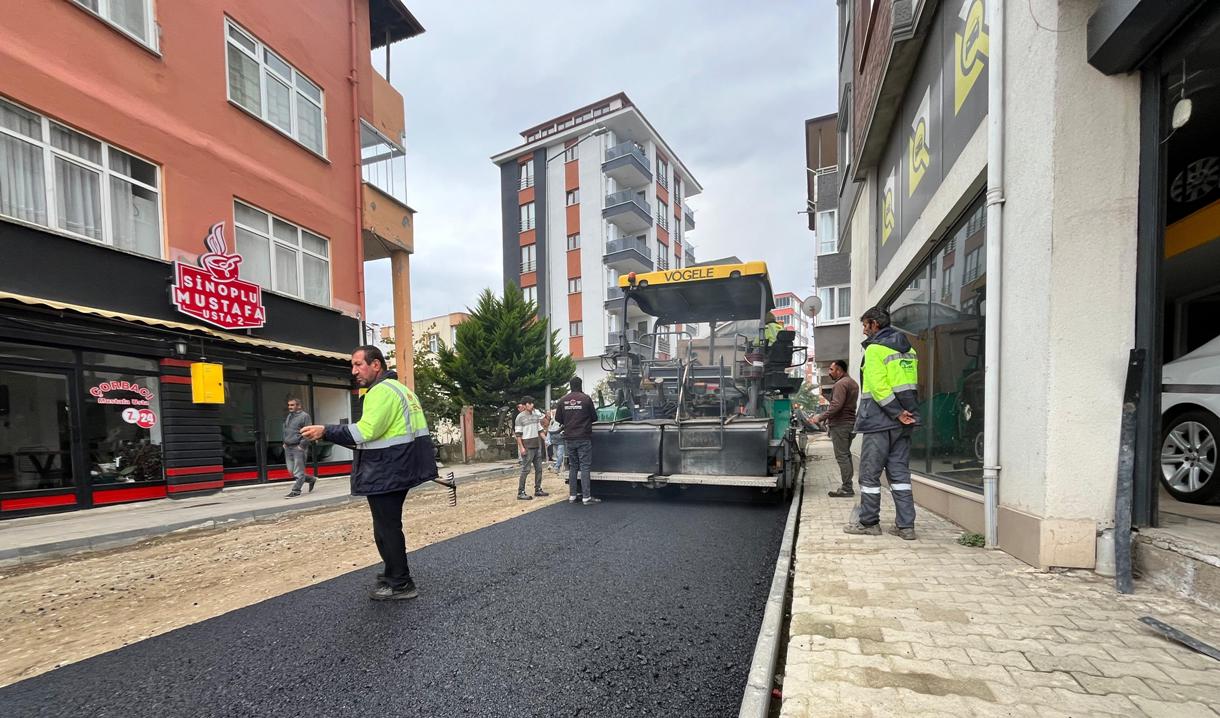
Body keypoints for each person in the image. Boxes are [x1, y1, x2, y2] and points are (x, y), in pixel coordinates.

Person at [300, 345, 437, 601]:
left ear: (376, 365)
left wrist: (326, 431)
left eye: (358, 364)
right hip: (400, 466)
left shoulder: (380, 392)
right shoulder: (402, 390)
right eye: (352, 366)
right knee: (386, 526)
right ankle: (392, 573)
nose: (354, 371)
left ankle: (401, 583)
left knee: (387, 528)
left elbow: (364, 433)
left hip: (388, 469)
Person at [844, 307, 919, 540]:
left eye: (866, 325)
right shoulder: (910, 350)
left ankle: (868, 523)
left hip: (879, 421)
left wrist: (895, 413)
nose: (864, 331)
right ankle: (906, 527)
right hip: (905, 421)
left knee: (869, 475)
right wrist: (904, 414)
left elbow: (878, 388)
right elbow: (908, 385)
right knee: (899, 475)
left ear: (875, 324)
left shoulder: (876, 349)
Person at [813, 360, 860, 498]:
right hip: (849, 423)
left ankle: (847, 488)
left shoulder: (841, 384)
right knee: (846, 455)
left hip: (841, 425)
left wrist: (820, 417)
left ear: (839, 370)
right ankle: (847, 486)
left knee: (842, 456)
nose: (829, 372)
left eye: (831, 369)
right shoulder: (852, 383)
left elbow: (836, 405)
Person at [558, 376, 599, 504]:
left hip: (569, 438)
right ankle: (586, 497)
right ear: (580, 385)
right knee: (585, 466)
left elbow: (558, 419)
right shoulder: (586, 399)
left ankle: (572, 496)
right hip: (583, 437)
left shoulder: (563, 400)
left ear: (570, 386)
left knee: (573, 466)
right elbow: (594, 417)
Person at [514, 396, 548, 500]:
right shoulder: (520, 417)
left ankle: (538, 489)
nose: (532, 405)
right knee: (526, 470)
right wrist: (521, 448)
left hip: (536, 445)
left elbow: (540, 430)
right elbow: (518, 435)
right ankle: (521, 492)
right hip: (527, 446)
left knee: (539, 469)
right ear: (524, 405)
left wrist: (546, 439)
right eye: (529, 403)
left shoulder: (535, 416)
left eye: (532, 403)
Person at [283, 398, 314, 497]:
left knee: (298, 471)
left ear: (299, 406)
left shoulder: (305, 416)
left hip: (298, 447)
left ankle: (296, 491)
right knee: (291, 471)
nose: (290, 407)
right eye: (289, 405)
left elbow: (308, 431)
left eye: (292, 405)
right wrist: (284, 442)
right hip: (288, 447)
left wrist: (302, 445)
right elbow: (287, 430)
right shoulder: (289, 416)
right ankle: (311, 479)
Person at [547, 407, 565, 473]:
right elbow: (549, 430)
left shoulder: (562, 419)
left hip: (560, 440)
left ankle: (557, 467)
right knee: (557, 455)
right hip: (554, 440)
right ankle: (557, 466)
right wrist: (548, 439)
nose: (553, 413)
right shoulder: (552, 421)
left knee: (560, 454)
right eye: (553, 412)